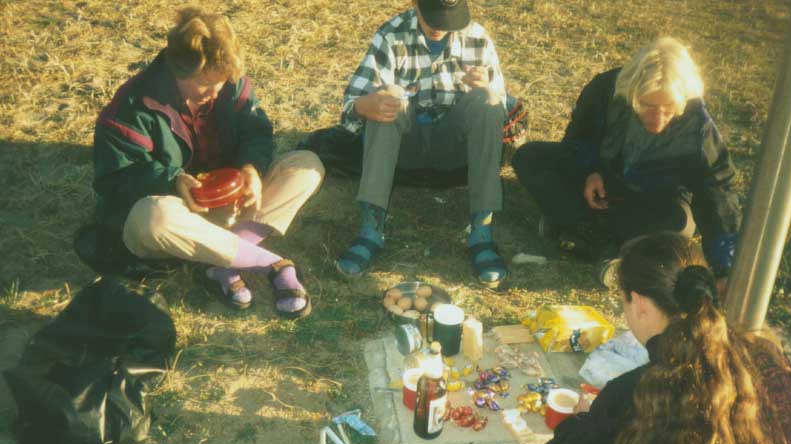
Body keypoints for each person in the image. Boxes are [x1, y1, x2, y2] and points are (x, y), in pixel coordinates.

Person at [497, 232, 791, 444]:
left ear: (639, 303)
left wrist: (582, 423)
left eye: (623, 303)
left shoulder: (634, 393)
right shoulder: (768, 355)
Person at [93, 7, 324, 317]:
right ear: (177, 71)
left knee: (306, 165)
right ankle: (270, 263)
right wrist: (172, 180)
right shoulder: (132, 106)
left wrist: (251, 169)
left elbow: (256, 130)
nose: (216, 92)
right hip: (176, 214)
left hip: (229, 203)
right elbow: (114, 180)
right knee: (154, 217)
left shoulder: (228, 81)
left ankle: (219, 264)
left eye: (221, 83)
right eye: (205, 85)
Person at [512, 38, 740, 289]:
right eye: (647, 105)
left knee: (679, 225)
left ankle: (577, 231)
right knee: (528, 157)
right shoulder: (605, 88)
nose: (657, 119)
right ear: (631, 92)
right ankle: (606, 243)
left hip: (654, 199)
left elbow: (717, 188)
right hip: (603, 185)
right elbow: (577, 138)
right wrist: (590, 171)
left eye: (668, 109)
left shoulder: (697, 122)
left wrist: (723, 268)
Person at [334, 0, 510, 288]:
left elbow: (500, 106)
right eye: (434, 18)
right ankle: (371, 228)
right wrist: (367, 105)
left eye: (449, 19)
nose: (440, 27)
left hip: (454, 148)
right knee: (388, 96)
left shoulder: (478, 37)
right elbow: (351, 102)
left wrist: (486, 87)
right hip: (405, 148)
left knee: (488, 101)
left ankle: (482, 230)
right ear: (415, 4)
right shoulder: (391, 35)